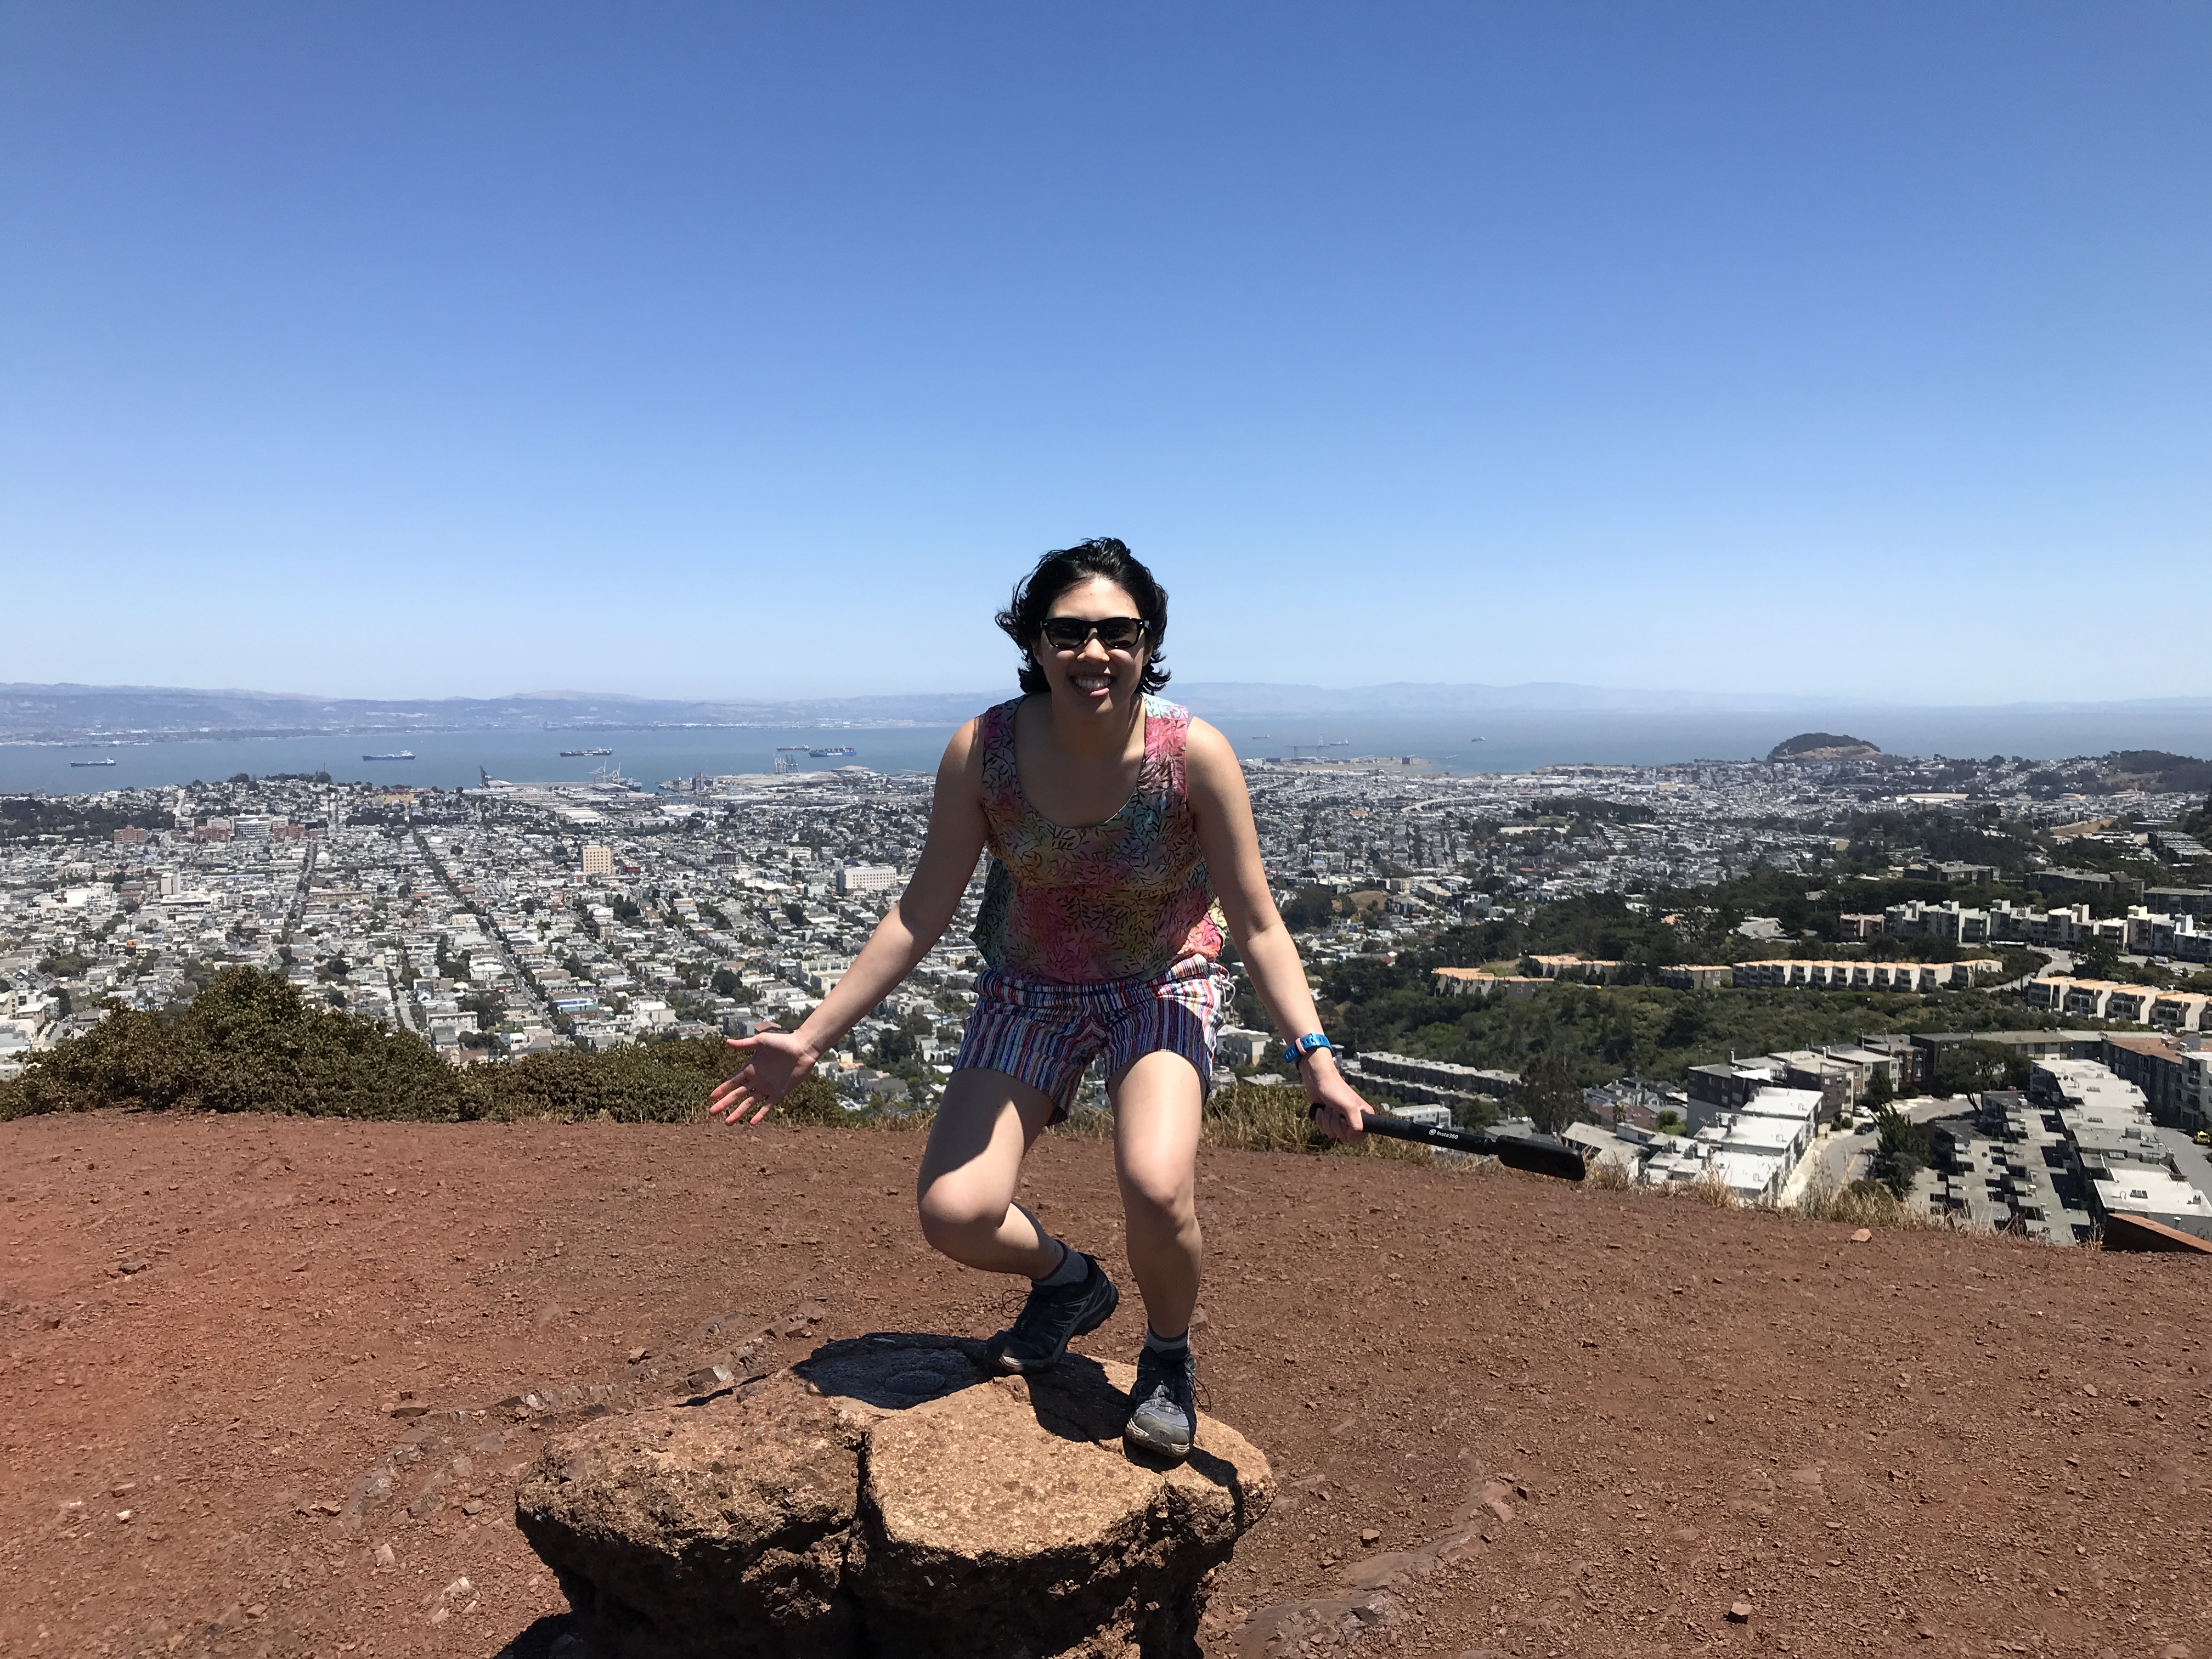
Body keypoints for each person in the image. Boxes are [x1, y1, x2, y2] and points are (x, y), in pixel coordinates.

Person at [708, 538, 1372, 1460]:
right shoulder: (986, 752)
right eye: (1070, 632)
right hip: (1030, 988)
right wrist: (812, 1038)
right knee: (955, 1212)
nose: (1093, 652)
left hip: (1160, 983)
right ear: (1035, 641)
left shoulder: (1196, 757)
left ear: (1148, 641)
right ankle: (1069, 1283)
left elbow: (1259, 925)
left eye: (1117, 632)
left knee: (1155, 1181)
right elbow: (920, 910)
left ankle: (1168, 1356)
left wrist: (1316, 1061)